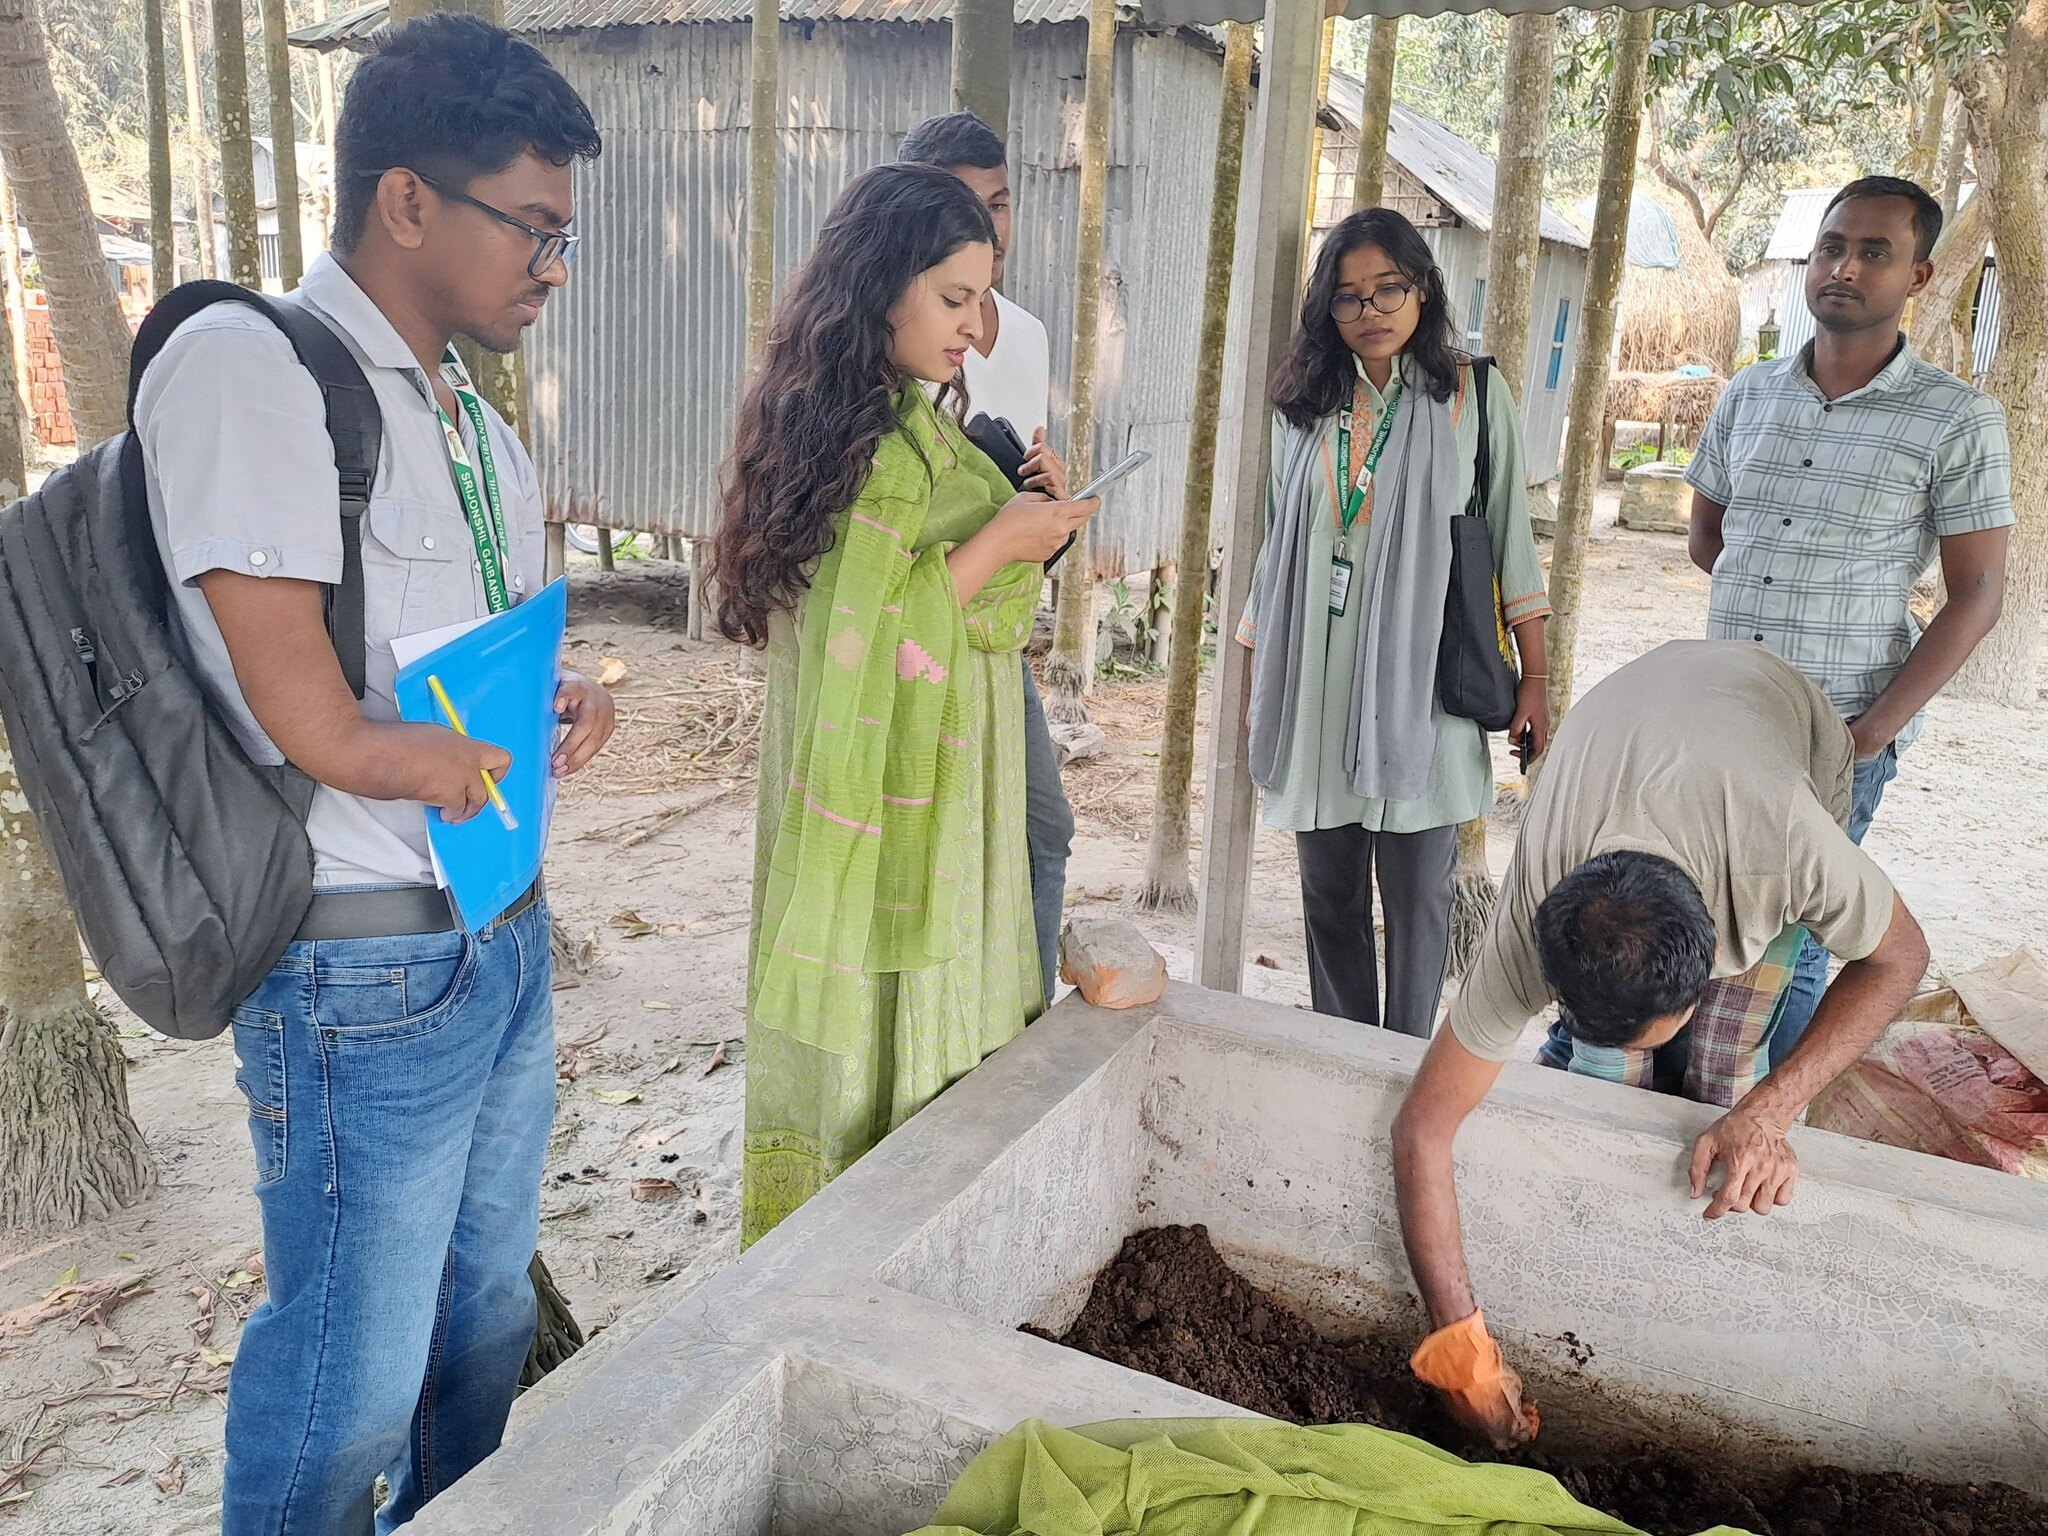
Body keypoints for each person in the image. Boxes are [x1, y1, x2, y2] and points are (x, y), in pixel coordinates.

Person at [132, 17, 612, 1533]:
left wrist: (551, 708)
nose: (550, 268)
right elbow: (315, 723)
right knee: (346, 1382)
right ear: (406, 203)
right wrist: (450, 755)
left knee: (477, 1331)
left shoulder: (466, 417)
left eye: (563, 238)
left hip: (496, 930)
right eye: (532, 228)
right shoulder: (250, 369)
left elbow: (452, 663)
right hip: (359, 976)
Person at [1390, 641, 1930, 1450]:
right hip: (1629, 724)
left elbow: (1902, 956)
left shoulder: (1786, 850)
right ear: (1552, 976)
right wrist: (1462, 1358)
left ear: (1708, 963)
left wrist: (1770, 1111)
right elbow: (1422, 1128)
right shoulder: (1534, 913)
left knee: (1724, 1074)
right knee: (1611, 1080)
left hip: (1783, 726)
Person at [714, 163, 1099, 1245]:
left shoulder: (890, 423)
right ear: (877, 284)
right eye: (953, 297)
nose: (977, 330)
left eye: (982, 297)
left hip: (930, 802)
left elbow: (958, 607)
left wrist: (1028, 522)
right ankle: (861, 1253)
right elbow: (857, 646)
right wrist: (994, 544)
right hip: (891, 812)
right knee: (885, 1055)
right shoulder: (870, 449)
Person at [1686, 175, 2011, 1068]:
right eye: (1832, 246)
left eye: (1875, 252)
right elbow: (1711, 538)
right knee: (1703, 915)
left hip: (1840, 730)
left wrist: (1872, 732)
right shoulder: (1748, 396)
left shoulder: (1955, 420)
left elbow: (1977, 594)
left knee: (1794, 941)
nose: (1844, 267)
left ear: (1920, 276)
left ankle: (1766, 1121)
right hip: (1718, 716)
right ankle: (1689, 1104)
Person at [1235, 207, 1551, 1037]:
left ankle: (1404, 1059)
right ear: (1326, 310)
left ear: (1422, 292)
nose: (1369, 311)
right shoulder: (1301, 406)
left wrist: (1540, 679)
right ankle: (1341, 1051)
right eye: (1347, 297)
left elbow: (1512, 544)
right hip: (1317, 686)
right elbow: (1275, 550)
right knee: (1328, 896)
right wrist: (1254, 686)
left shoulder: (1473, 394)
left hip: (1426, 688)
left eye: (1388, 290)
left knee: (1421, 897)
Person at [899, 110, 1075, 1004]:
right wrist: (999, 527)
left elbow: (1009, 490)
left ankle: (1020, 1016)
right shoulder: (887, 362)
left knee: (1044, 831)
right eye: (965, 206)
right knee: (937, 854)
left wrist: (1046, 498)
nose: (988, 227)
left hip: (996, 635)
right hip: (916, 644)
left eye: (1000, 204)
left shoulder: (1030, 334)